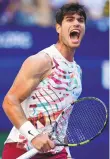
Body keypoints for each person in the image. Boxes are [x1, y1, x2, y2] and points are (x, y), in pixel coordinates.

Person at [2, 2, 86, 159]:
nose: (76, 23)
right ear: (58, 28)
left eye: (80, 20)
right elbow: (9, 101)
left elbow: (61, 122)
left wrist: (66, 153)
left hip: (57, 152)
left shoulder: (77, 72)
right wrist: (33, 135)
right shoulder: (42, 60)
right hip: (23, 147)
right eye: (70, 19)